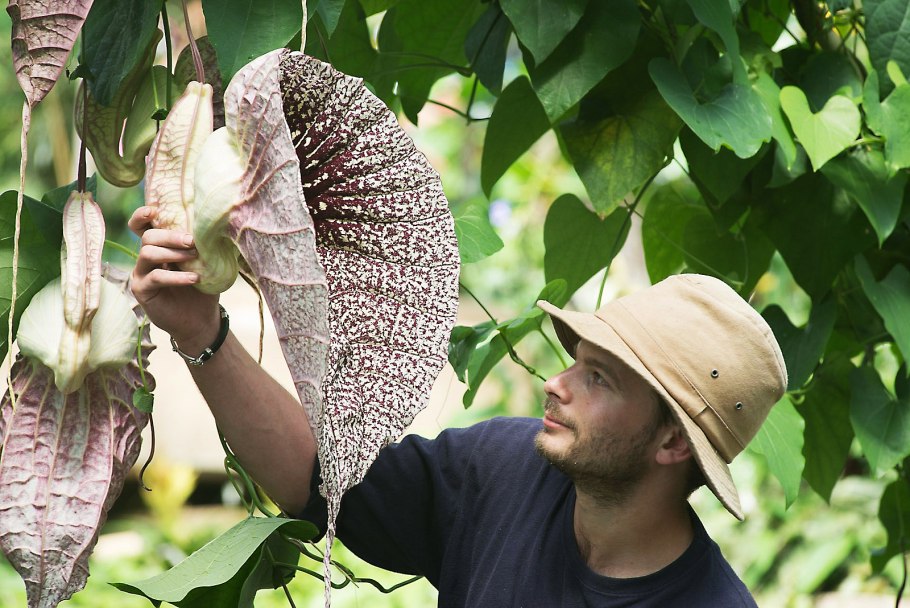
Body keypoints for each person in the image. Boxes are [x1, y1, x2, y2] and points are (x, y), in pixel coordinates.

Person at [129, 205, 787, 607]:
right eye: (576, 361)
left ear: (673, 443)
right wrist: (200, 329)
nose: (556, 385)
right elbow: (318, 476)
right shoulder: (505, 469)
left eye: (599, 379)